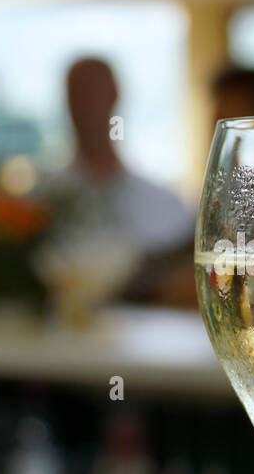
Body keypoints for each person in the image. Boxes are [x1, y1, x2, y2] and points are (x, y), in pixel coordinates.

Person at [45, 57, 194, 306]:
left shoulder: (165, 204)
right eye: (79, 94)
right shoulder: (41, 203)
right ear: (66, 101)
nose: (88, 106)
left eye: (96, 92)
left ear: (116, 97)